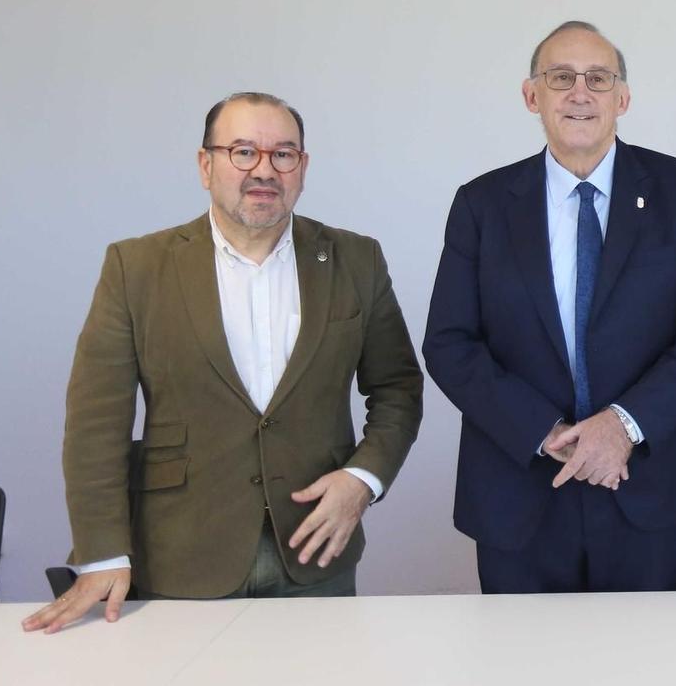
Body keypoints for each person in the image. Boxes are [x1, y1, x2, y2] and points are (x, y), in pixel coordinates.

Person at [24, 92, 423, 633]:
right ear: (205, 164)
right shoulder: (136, 267)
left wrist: (361, 480)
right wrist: (101, 554)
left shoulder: (355, 259)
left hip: (315, 551)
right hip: (180, 555)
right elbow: (96, 424)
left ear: (302, 168)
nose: (264, 169)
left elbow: (398, 387)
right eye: (243, 152)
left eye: (283, 154)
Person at [424, 21, 676, 593]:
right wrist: (546, 432)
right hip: (523, 490)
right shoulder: (482, 204)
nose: (579, 93)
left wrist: (622, 425)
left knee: (655, 672)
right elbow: (449, 342)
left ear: (623, 98)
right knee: (527, 676)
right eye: (560, 77)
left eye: (597, 78)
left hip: (651, 489)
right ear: (531, 95)